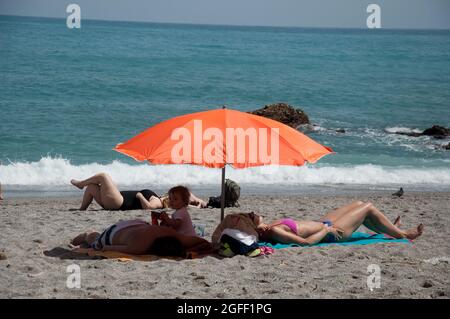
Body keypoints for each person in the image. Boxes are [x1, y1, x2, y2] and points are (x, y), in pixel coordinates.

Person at [250, 200, 424, 245]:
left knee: (358, 205)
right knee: (368, 208)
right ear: (253, 226)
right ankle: (403, 234)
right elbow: (305, 243)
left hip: (323, 223)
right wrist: (326, 230)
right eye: (250, 216)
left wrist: (323, 225)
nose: (252, 212)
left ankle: (390, 229)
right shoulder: (274, 232)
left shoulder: (269, 226)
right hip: (334, 233)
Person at [70, 219, 213, 256]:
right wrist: (95, 246)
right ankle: (85, 236)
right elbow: (107, 247)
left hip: (135, 223)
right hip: (113, 233)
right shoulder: (139, 248)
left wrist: (212, 247)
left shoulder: (171, 234)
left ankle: (83, 237)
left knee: (96, 237)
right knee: (93, 237)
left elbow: (202, 242)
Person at [70, 172, 207, 211]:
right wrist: (200, 202)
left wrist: (140, 196)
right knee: (92, 187)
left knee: (103, 176)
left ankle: (81, 184)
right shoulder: (160, 197)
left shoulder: (158, 203)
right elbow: (190, 196)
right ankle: (82, 209)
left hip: (119, 203)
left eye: (173, 198)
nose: (171, 198)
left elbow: (148, 208)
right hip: (116, 200)